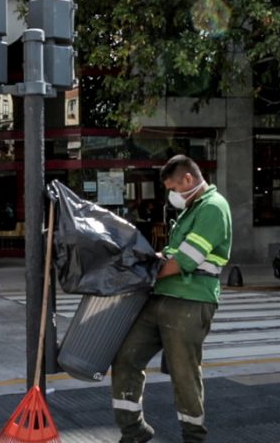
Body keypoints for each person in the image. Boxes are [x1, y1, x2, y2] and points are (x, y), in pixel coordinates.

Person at [111, 155, 232, 443]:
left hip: (190, 300)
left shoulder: (214, 208)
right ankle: (134, 431)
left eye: (173, 188)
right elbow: (171, 254)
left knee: (183, 372)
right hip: (161, 297)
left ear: (188, 180)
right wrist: (149, 260)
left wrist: (147, 273)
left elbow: (184, 261)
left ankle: (193, 436)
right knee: (125, 357)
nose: (172, 196)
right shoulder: (191, 210)